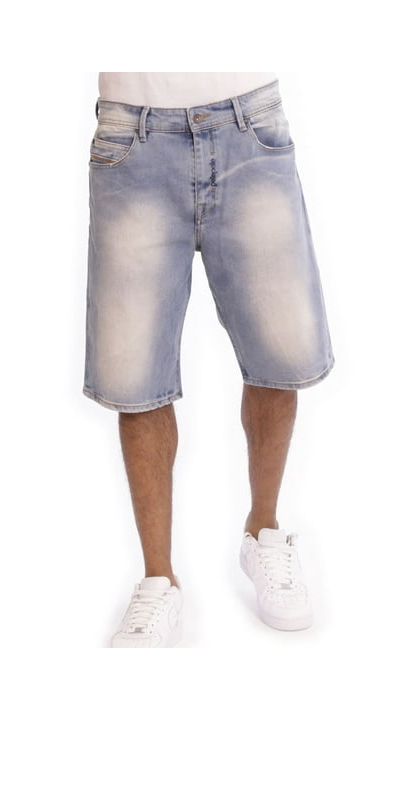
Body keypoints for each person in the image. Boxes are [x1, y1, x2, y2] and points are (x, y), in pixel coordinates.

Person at [83, 72, 335, 647]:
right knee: (135, 372)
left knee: (280, 349)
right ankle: (158, 579)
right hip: (133, 134)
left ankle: (264, 532)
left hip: (249, 124)